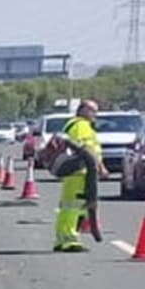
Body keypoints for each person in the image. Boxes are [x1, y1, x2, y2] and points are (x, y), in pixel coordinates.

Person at [53, 100, 108, 253]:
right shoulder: (81, 125)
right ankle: (70, 240)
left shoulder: (72, 124)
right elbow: (86, 149)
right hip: (81, 173)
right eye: (92, 110)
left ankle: (61, 239)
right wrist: (101, 167)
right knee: (74, 207)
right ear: (82, 110)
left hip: (75, 173)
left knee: (68, 207)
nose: (95, 114)